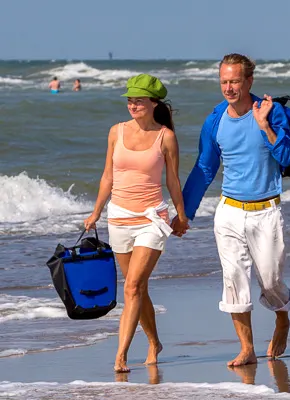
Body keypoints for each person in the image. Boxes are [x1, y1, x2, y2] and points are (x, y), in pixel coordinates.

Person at [180, 53, 290, 366]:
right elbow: (205, 167)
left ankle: (282, 316)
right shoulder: (215, 119)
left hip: (266, 210)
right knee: (233, 279)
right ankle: (247, 348)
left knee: (270, 281)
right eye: (224, 81)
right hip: (229, 211)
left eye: (234, 81)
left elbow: (287, 157)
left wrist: (264, 127)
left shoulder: (271, 113)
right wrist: (183, 213)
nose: (229, 87)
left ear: (249, 81)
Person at [83, 73, 190, 373]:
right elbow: (108, 176)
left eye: (138, 100)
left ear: (153, 103)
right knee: (137, 288)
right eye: (130, 100)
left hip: (151, 219)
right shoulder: (116, 132)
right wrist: (95, 212)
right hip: (119, 217)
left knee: (132, 287)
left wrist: (180, 215)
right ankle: (154, 341)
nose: (132, 105)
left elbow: (172, 180)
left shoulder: (165, 137)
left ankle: (120, 356)